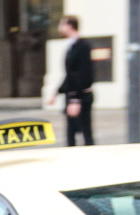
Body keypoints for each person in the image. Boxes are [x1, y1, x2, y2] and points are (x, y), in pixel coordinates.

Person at [47, 14, 94, 146]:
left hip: (80, 96)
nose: (60, 28)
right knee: (71, 133)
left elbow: (83, 74)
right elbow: (69, 75)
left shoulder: (83, 46)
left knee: (85, 132)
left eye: (62, 24)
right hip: (73, 95)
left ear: (70, 26)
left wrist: (75, 99)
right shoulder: (71, 46)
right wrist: (56, 93)